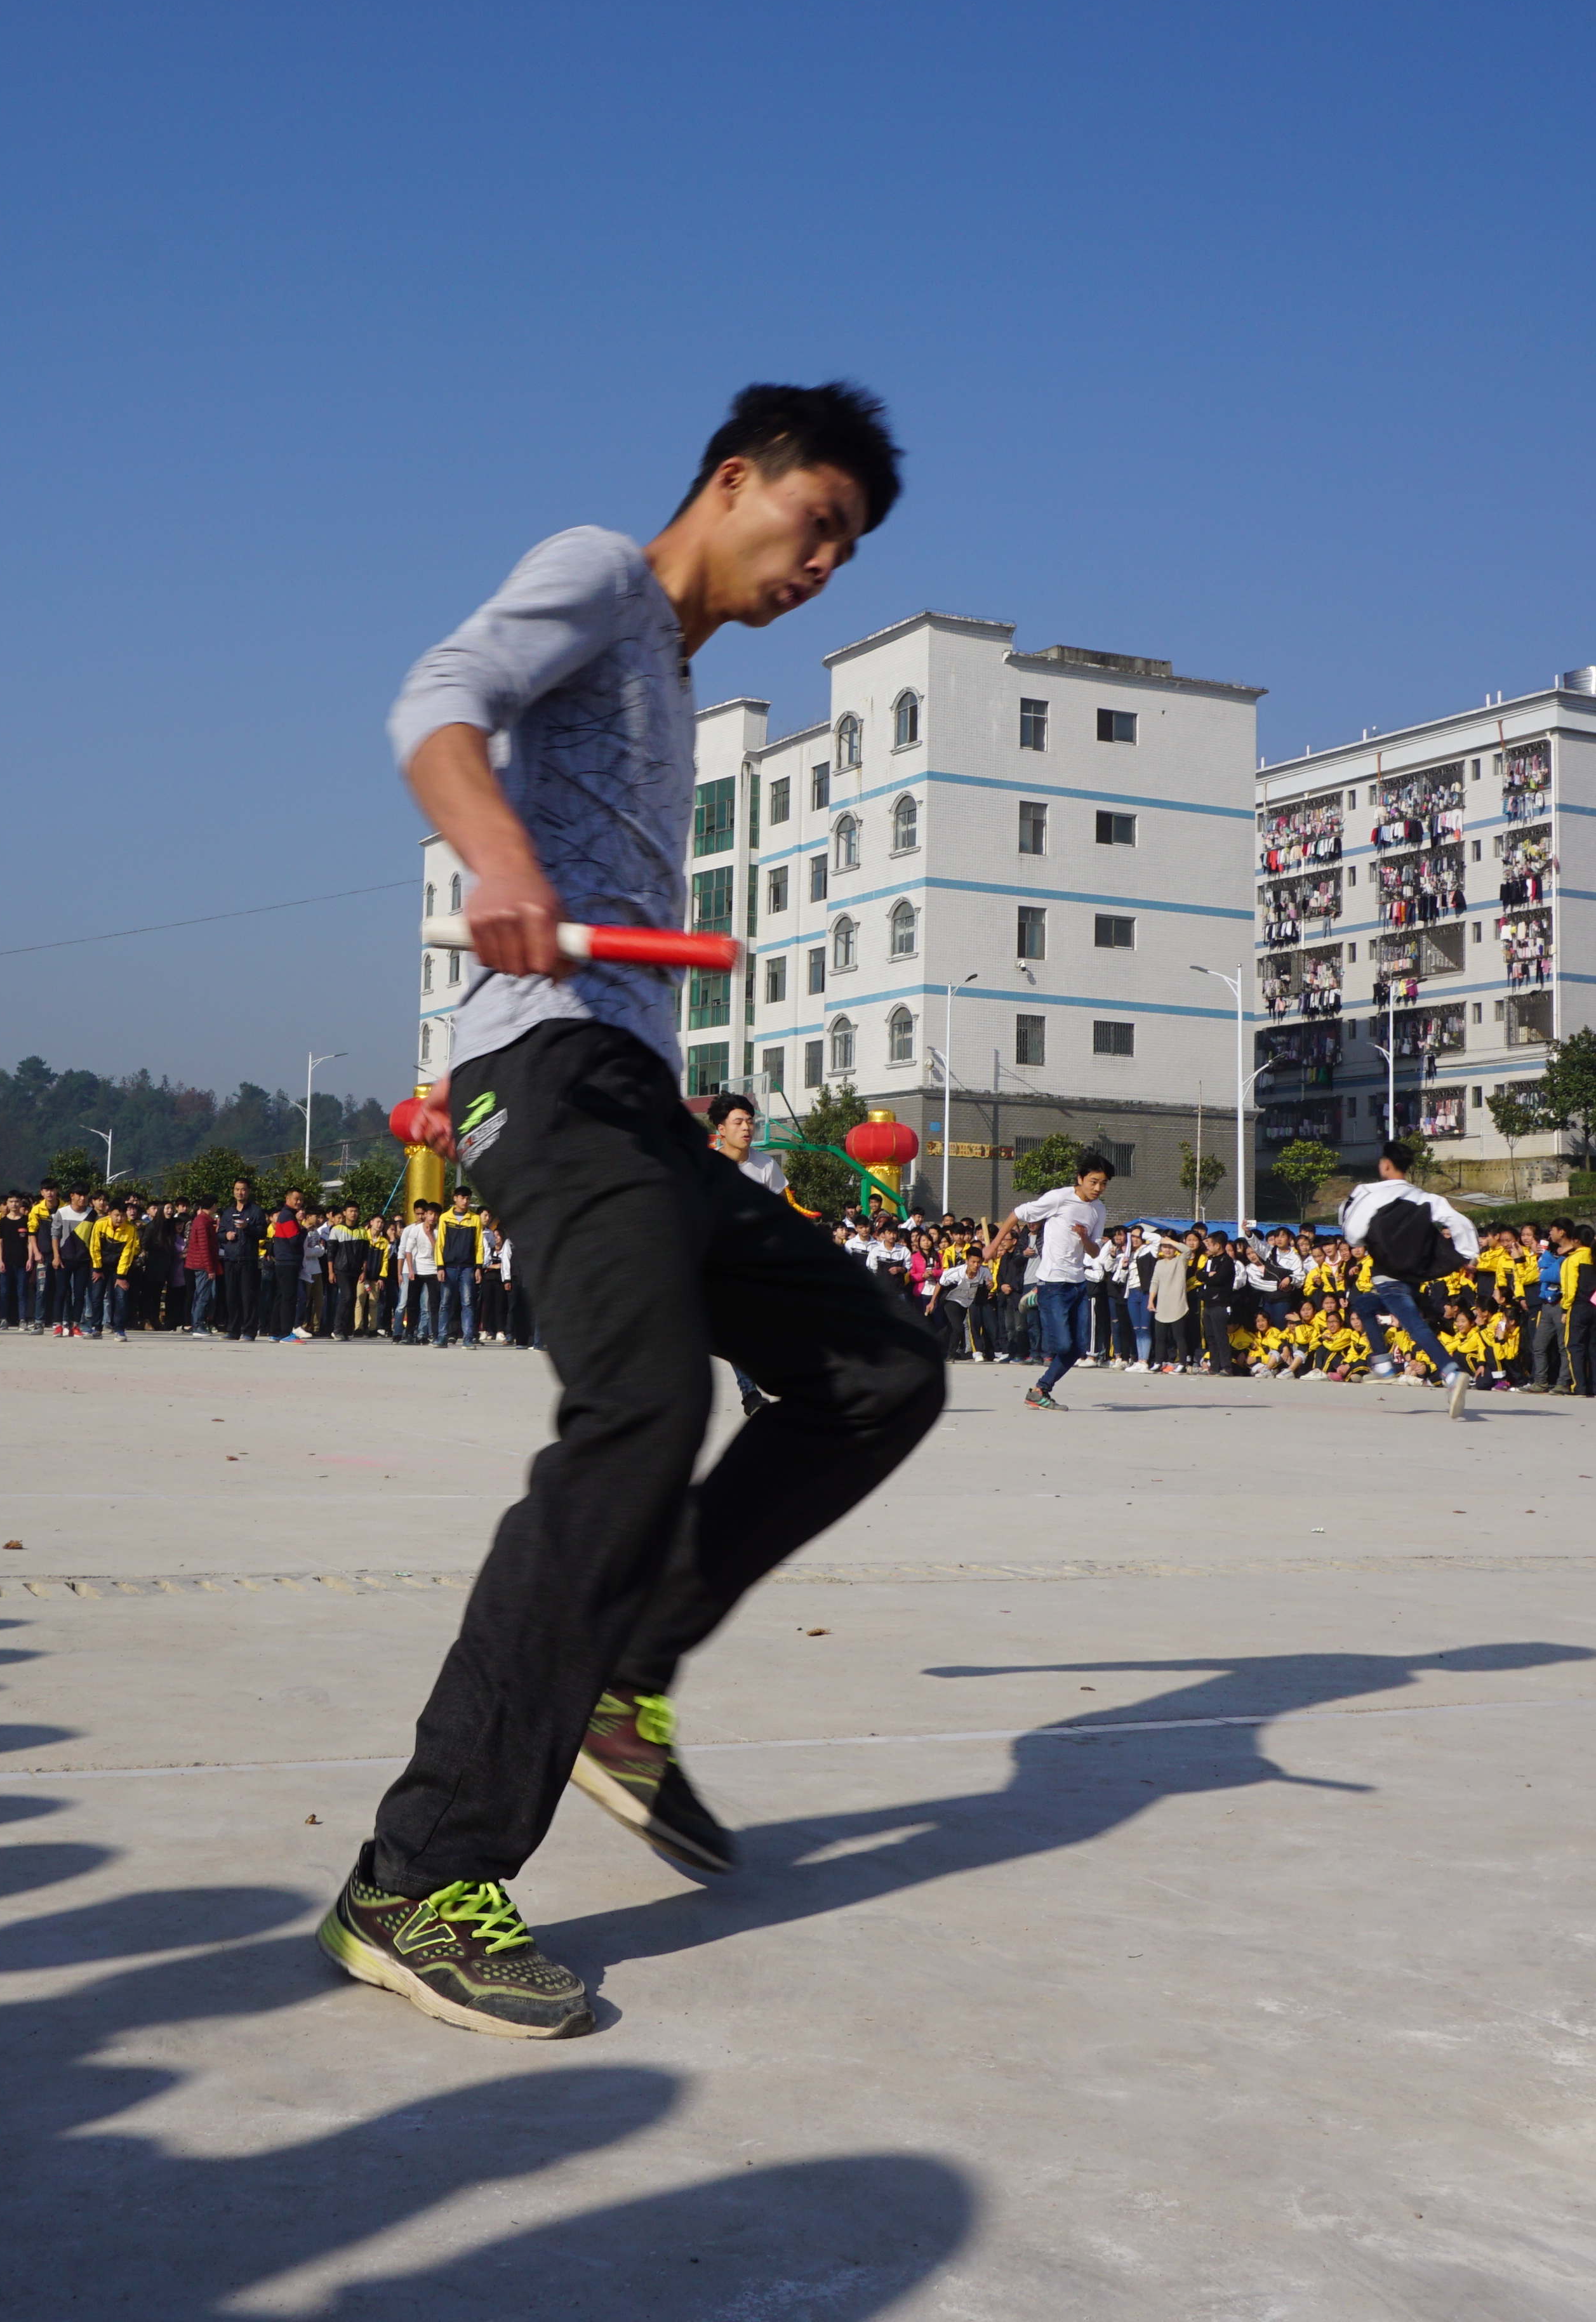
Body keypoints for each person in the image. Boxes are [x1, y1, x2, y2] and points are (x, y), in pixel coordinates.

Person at [323, 381, 943, 2042]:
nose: (824, 565)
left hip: (638, 1101)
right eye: (816, 522)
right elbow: (440, 700)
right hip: (543, 1071)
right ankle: (419, 1876)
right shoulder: (602, 571)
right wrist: (497, 858)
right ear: (734, 479)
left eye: (850, 551)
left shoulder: (673, 679)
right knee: (643, 1411)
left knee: (882, 1366)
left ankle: (626, 1671)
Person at [1338, 1139, 1480, 1406]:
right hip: (1413, 1277)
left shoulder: (1370, 1193)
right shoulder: (1425, 1197)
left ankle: (1451, 1372)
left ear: (1386, 1165)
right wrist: (1468, 1254)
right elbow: (1459, 1221)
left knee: (1414, 1324)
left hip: (1387, 1275)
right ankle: (1383, 1364)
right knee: (1365, 1304)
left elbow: (1353, 1234)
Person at [1012, 1153, 1114, 1410]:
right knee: (1062, 1345)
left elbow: (1094, 1252)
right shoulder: (1059, 1198)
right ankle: (1038, 1296)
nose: (1098, 1188)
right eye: (1093, 1182)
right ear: (1080, 1179)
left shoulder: (1099, 1209)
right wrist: (993, 1246)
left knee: (1077, 1348)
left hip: (1078, 1283)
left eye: (1103, 1184)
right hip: (1053, 1283)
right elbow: (1019, 1213)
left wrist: (1084, 1237)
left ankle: (1040, 1391)